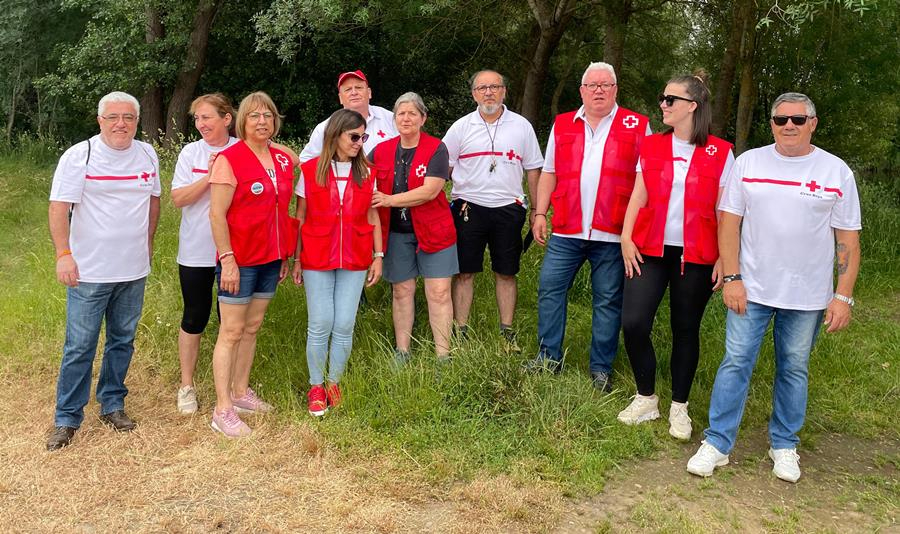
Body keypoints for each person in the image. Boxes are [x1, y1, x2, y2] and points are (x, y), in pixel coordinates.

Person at [687, 92, 861, 482]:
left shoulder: (836, 171)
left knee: (794, 368)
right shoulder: (749, 163)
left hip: (809, 295)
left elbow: (847, 239)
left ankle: (784, 444)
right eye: (781, 119)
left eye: (798, 120)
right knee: (735, 363)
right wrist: (732, 278)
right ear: (772, 124)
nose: (788, 126)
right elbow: (728, 223)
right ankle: (717, 443)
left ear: (813, 123)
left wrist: (843, 295)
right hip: (751, 289)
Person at [617, 73, 734, 440]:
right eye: (663, 98)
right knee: (634, 322)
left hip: (697, 254)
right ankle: (646, 398)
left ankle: (679, 407)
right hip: (649, 248)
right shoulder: (651, 145)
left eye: (671, 99)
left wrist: (725, 259)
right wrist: (625, 236)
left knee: (686, 329)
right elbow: (639, 195)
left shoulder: (721, 151)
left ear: (692, 107)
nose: (663, 105)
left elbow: (725, 211)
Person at [46, 91, 161, 450]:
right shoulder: (81, 156)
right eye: (113, 117)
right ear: (100, 121)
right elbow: (58, 206)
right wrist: (64, 254)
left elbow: (153, 201)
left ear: (137, 122)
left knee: (122, 341)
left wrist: (148, 244)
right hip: (90, 272)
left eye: (128, 117)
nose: (120, 124)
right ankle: (67, 418)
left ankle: (112, 404)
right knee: (80, 345)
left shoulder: (147, 154)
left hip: (132, 270)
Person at [529, 62, 651, 391]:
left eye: (605, 85)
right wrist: (540, 213)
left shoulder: (638, 125)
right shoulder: (563, 123)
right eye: (592, 85)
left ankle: (600, 369)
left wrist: (632, 232)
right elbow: (550, 172)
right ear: (581, 90)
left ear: (615, 90)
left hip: (612, 232)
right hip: (567, 229)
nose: (598, 90)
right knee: (550, 291)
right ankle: (547, 358)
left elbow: (646, 180)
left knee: (608, 300)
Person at [207, 91, 299, 437]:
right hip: (239, 260)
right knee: (230, 331)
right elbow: (216, 214)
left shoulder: (281, 159)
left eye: (269, 116)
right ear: (242, 121)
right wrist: (227, 259)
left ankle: (241, 391)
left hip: (271, 257)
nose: (262, 122)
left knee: (253, 326)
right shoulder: (228, 159)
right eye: (255, 116)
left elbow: (286, 201)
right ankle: (222, 409)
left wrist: (286, 254)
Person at [443, 70, 544, 349]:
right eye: (482, 88)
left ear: (504, 91)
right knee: (464, 272)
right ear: (474, 93)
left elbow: (534, 169)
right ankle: (460, 331)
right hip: (468, 207)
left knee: (506, 272)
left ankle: (507, 332)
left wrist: (538, 211)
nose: (489, 92)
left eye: (495, 87)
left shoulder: (521, 126)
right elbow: (443, 168)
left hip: (508, 209)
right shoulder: (461, 127)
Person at [292, 109, 383, 416]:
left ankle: (334, 382)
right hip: (317, 255)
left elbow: (373, 216)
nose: (359, 142)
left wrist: (378, 255)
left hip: (355, 256)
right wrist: (296, 259)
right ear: (335, 135)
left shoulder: (368, 172)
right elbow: (300, 216)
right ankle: (316, 385)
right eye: (354, 136)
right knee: (320, 323)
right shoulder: (310, 170)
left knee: (344, 323)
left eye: (363, 136)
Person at [371, 92, 458, 364]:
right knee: (401, 291)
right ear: (394, 118)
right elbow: (361, 180)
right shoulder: (381, 150)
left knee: (440, 292)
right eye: (400, 113)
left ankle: (444, 354)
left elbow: (430, 191)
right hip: (396, 234)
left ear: (423, 118)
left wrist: (388, 200)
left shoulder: (436, 148)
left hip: (434, 232)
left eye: (412, 113)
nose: (406, 118)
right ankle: (402, 351)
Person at [170, 93, 239, 414]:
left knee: (231, 321)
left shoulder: (242, 151)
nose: (201, 124)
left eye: (207, 117)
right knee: (195, 316)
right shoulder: (190, 152)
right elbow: (179, 198)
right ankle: (187, 385)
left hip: (233, 251)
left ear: (227, 119)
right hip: (196, 250)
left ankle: (233, 388)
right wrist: (208, 177)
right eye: (197, 119)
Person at [299, 70, 398, 163]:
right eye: (348, 89)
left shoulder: (390, 119)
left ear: (369, 93)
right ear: (340, 98)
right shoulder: (326, 128)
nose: (354, 93)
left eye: (359, 88)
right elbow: (305, 161)